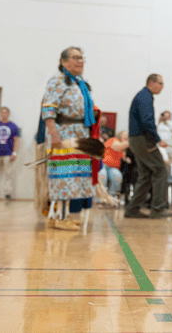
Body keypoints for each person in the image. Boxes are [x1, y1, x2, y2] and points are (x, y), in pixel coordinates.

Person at [42, 47, 98, 231]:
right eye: (75, 58)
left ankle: (62, 215)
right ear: (63, 62)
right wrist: (54, 135)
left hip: (79, 133)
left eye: (82, 58)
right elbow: (48, 110)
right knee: (63, 177)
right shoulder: (57, 81)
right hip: (63, 133)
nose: (80, 61)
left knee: (74, 177)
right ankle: (59, 217)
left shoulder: (80, 83)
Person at [126, 74, 172, 219]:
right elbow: (147, 121)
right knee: (161, 170)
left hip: (136, 140)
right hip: (143, 140)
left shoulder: (143, 96)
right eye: (160, 83)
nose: (162, 86)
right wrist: (157, 139)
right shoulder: (145, 97)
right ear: (151, 83)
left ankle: (132, 209)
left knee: (145, 174)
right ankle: (158, 209)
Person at [0, 107, 20, 200]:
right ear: (0, 114)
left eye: (5, 113)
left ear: (8, 114)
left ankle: (7, 193)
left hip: (8, 154)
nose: (4, 114)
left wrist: (15, 153)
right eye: (2, 113)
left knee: (8, 174)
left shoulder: (13, 126)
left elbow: (16, 140)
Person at [100, 130, 127, 199]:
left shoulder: (123, 148)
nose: (127, 135)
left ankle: (111, 199)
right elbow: (118, 147)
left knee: (117, 177)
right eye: (125, 134)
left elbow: (125, 158)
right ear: (120, 135)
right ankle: (100, 199)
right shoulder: (113, 140)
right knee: (102, 176)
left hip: (114, 167)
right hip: (103, 165)